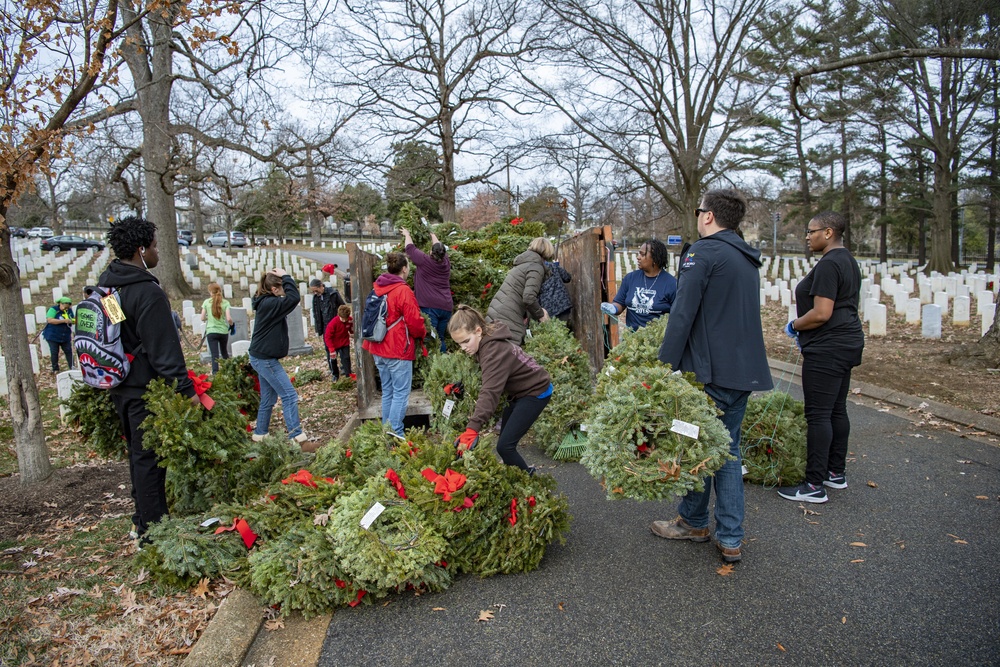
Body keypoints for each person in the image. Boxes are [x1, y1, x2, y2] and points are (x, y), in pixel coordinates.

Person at [652, 189, 773, 564]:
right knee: (727, 450)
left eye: (698, 210)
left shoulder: (701, 253)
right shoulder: (744, 257)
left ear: (708, 216)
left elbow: (683, 314)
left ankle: (693, 521)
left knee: (695, 444)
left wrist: (662, 367)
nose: (697, 216)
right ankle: (730, 537)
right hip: (742, 373)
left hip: (709, 375)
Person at [100, 215, 199, 542]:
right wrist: (188, 392)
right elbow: (164, 351)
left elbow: (120, 333)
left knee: (138, 457)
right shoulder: (147, 292)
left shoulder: (111, 285)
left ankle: (139, 519)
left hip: (121, 384)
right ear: (141, 250)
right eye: (155, 246)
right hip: (145, 389)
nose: (158, 252)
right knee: (150, 461)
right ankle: (153, 531)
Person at [778, 211, 864, 504]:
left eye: (811, 231)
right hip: (847, 342)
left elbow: (822, 313)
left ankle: (814, 484)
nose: (807, 236)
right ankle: (834, 473)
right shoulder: (848, 260)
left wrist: (794, 325)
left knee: (818, 414)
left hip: (828, 347)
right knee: (837, 409)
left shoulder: (829, 264)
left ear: (828, 233)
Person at [449, 305, 551, 474]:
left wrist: (472, 428)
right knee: (504, 442)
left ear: (478, 330)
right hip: (518, 393)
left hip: (536, 392)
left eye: (466, 341)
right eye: (459, 344)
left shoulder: (493, 352)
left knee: (505, 447)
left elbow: (490, 390)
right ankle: (515, 475)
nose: (463, 348)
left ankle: (527, 480)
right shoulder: (486, 342)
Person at [362, 252, 427, 437]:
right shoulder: (403, 290)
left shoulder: (377, 288)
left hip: (377, 347)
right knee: (400, 393)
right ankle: (396, 433)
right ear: (404, 268)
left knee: (388, 390)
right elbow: (414, 322)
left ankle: (386, 430)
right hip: (397, 349)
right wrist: (423, 334)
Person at [249, 269, 312, 446]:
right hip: (265, 359)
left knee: (268, 399)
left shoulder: (267, 301)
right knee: (289, 395)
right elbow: (294, 298)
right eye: (282, 287)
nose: (284, 290)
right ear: (275, 290)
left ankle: (260, 435)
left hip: (261, 356)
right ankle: (296, 438)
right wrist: (286, 276)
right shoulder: (270, 303)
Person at [487, 236, 551, 345]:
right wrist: (541, 314)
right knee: (509, 353)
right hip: (507, 315)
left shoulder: (524, 264)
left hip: (498, 310)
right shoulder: (536, 267)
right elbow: (529, 297)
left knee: (494, 349)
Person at [602, 239, 676, 330]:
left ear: (655, 258)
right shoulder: (630, 278)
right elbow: (620, 303)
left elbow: (678, 316)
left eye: (642, 254)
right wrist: (613, 308)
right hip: (632, 340)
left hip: (657, 340)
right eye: (638, 254)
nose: (638, 257)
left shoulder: (671, 284)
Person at [402, 227, 453, 352]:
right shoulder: (446, 263)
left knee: (430, 340)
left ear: (431, 252)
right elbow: (438, 246)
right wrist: (432, 233)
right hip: (446, 306)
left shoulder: (424, 261)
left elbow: (410, 248)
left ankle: (432, 367)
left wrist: (407, 234)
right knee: (439, 338)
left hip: (430, 307)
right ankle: (444, 365)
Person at [309, 278, 346, 378]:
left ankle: (345, 368)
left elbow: (342, 306)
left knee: (341, 347)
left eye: (316, 290)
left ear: (321, 286)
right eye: (313, 291)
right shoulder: (316, 298)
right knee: (329, 348)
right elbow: (316, 313)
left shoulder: (333, 294)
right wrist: (318, 328)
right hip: (326, 326)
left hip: (336, 324)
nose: (315, 293)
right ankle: (333, 369)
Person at [200, 282, 232, 373]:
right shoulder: (225, 302)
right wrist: (232, 324)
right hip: (223, 331)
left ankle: (215, 373)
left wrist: (208, 317)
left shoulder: (206, 302)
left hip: (211, 331)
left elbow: (202, 317)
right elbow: (229, 318)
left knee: (214, 355)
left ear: (210, 292)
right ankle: (228, 371)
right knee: (224, 352)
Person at [43, 296, 76, 373]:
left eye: (68, 307)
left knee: (68, 351)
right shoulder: (53, 309)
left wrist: (72, 321)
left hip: (65, 335)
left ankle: (72, 366)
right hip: (53, 335)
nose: (66, 309)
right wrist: (64, 321)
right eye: (64, 307)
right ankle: (55, 368)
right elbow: (50, 320)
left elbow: (72, 318)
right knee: (54, 352)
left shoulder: (69, 310)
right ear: (60, 304)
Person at [539, 259, 573, 330]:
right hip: (562, 304)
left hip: (547, 307)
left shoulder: (533, 270)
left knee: (553, 334)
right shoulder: (552, 265)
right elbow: (567, 278)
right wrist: (557, 266)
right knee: (562, 331)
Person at [324, 304, 354, 382]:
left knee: (346, 358)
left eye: (345, 319)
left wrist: (352, 332)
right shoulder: (333, 323)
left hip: (344, 342)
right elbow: (327, 337)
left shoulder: (350, 320)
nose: (344, 321)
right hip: (334, 344)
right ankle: (335, 375)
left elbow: (351, 329)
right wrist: (331, 349)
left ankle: (348, 374)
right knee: (333, 360)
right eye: (342, 319)